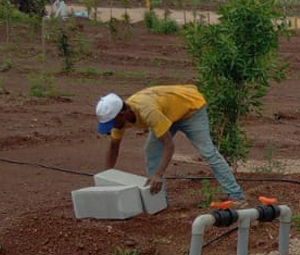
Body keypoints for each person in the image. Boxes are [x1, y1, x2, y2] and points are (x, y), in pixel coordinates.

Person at [95, 85, 245, 205]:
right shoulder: (120, 121)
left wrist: (158, 175)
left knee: (207, 151)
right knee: (152, 152)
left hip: (191, 108)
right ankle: (158, 201)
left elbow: (169, 145)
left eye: (111, 123)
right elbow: (114, 147)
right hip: (167, 114)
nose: (111, 128)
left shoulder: (147, 112)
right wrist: (106, 177)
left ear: (122, 114)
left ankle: (236, 195)